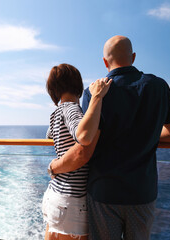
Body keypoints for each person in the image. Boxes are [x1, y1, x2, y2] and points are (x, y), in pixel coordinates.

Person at [47, 36, 170, 240]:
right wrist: (147, 135)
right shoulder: (159, 86)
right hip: (142, 193)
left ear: (105, 61)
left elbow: (85, 147)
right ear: (134, 57)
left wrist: (54, 167)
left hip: (104, 193)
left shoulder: (95, 93)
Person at [43, 63, 112, 240]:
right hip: (71, 199)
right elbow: (82, 135)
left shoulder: (56, 112)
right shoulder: (73, 109)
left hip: (57, 193)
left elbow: (50, 134)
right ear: (78, 86)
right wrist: (97, 100)